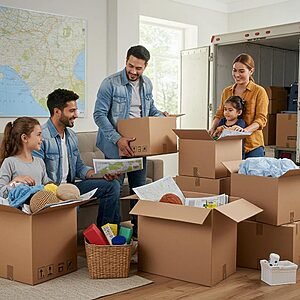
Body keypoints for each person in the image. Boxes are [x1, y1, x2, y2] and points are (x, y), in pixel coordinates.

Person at [93, 45, 165, 235]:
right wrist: (118, 139)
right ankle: (110, 237)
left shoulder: (147, 84)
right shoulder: (110, 83)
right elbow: (99, 115)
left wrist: (162, 116)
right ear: (126, 61)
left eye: (138, 68)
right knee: (114, 190)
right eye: (130, 66)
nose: (133, 71)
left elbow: (150, 110)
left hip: (139, 147)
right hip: (115, 147)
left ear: (145, 67)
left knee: (139, 190)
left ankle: (139, 233)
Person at [33, 88, 121, 228]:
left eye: (76, 110)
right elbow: (37, 174)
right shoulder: (40, 136)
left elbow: (79, 167)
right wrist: (61, 192)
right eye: (72, 111)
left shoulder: (72, 136)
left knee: (112, 185)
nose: (76, 115)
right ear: (57, 111)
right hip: (51, 189)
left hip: (72, 186)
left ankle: (106, 236)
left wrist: (99, 173)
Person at [209, 53, 268, 158]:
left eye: (241, 71)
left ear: (251, 71)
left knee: (251, 174)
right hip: (230, 145)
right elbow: (219, 115)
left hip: (252, 147)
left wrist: (243, 132)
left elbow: (261, 119)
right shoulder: (227, 91)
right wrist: (212, 129)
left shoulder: (259, 91)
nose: (236, 74)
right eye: (234, 70)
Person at [0, 117, 50, 198]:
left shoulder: (40, 161)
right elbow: (1, 193)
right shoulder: (10, 162)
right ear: (24, 138)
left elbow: (46, 187)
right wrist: (14, 182)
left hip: (39, 208)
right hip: (18, 210)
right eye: (38, 134)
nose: (42, 139)